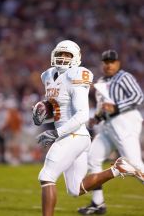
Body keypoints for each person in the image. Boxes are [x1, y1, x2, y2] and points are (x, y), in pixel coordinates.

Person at [32, 42, 144, 216]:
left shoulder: (77, 75)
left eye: (67, 55)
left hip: (74, 135)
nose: (63, 58)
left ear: (76, 58)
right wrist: (43, 113)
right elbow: (61, 108)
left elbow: (82, 114)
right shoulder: (47, 75)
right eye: (60, 53)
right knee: (75, 189)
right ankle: (118, 168)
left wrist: (56, 132)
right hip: (76, 135)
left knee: (46, 176)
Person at [78, 49, 144, 215]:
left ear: (118, 63)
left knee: (135, 165)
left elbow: (138, 97)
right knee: (93, 158)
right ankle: (98, 203)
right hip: (108, 126)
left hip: (124, 123)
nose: (108, 65)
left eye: (111, 61)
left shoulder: (124, 77)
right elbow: (104, 107)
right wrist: (97, 118)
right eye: (106, 62)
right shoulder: (101, 81)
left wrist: (117, 106)